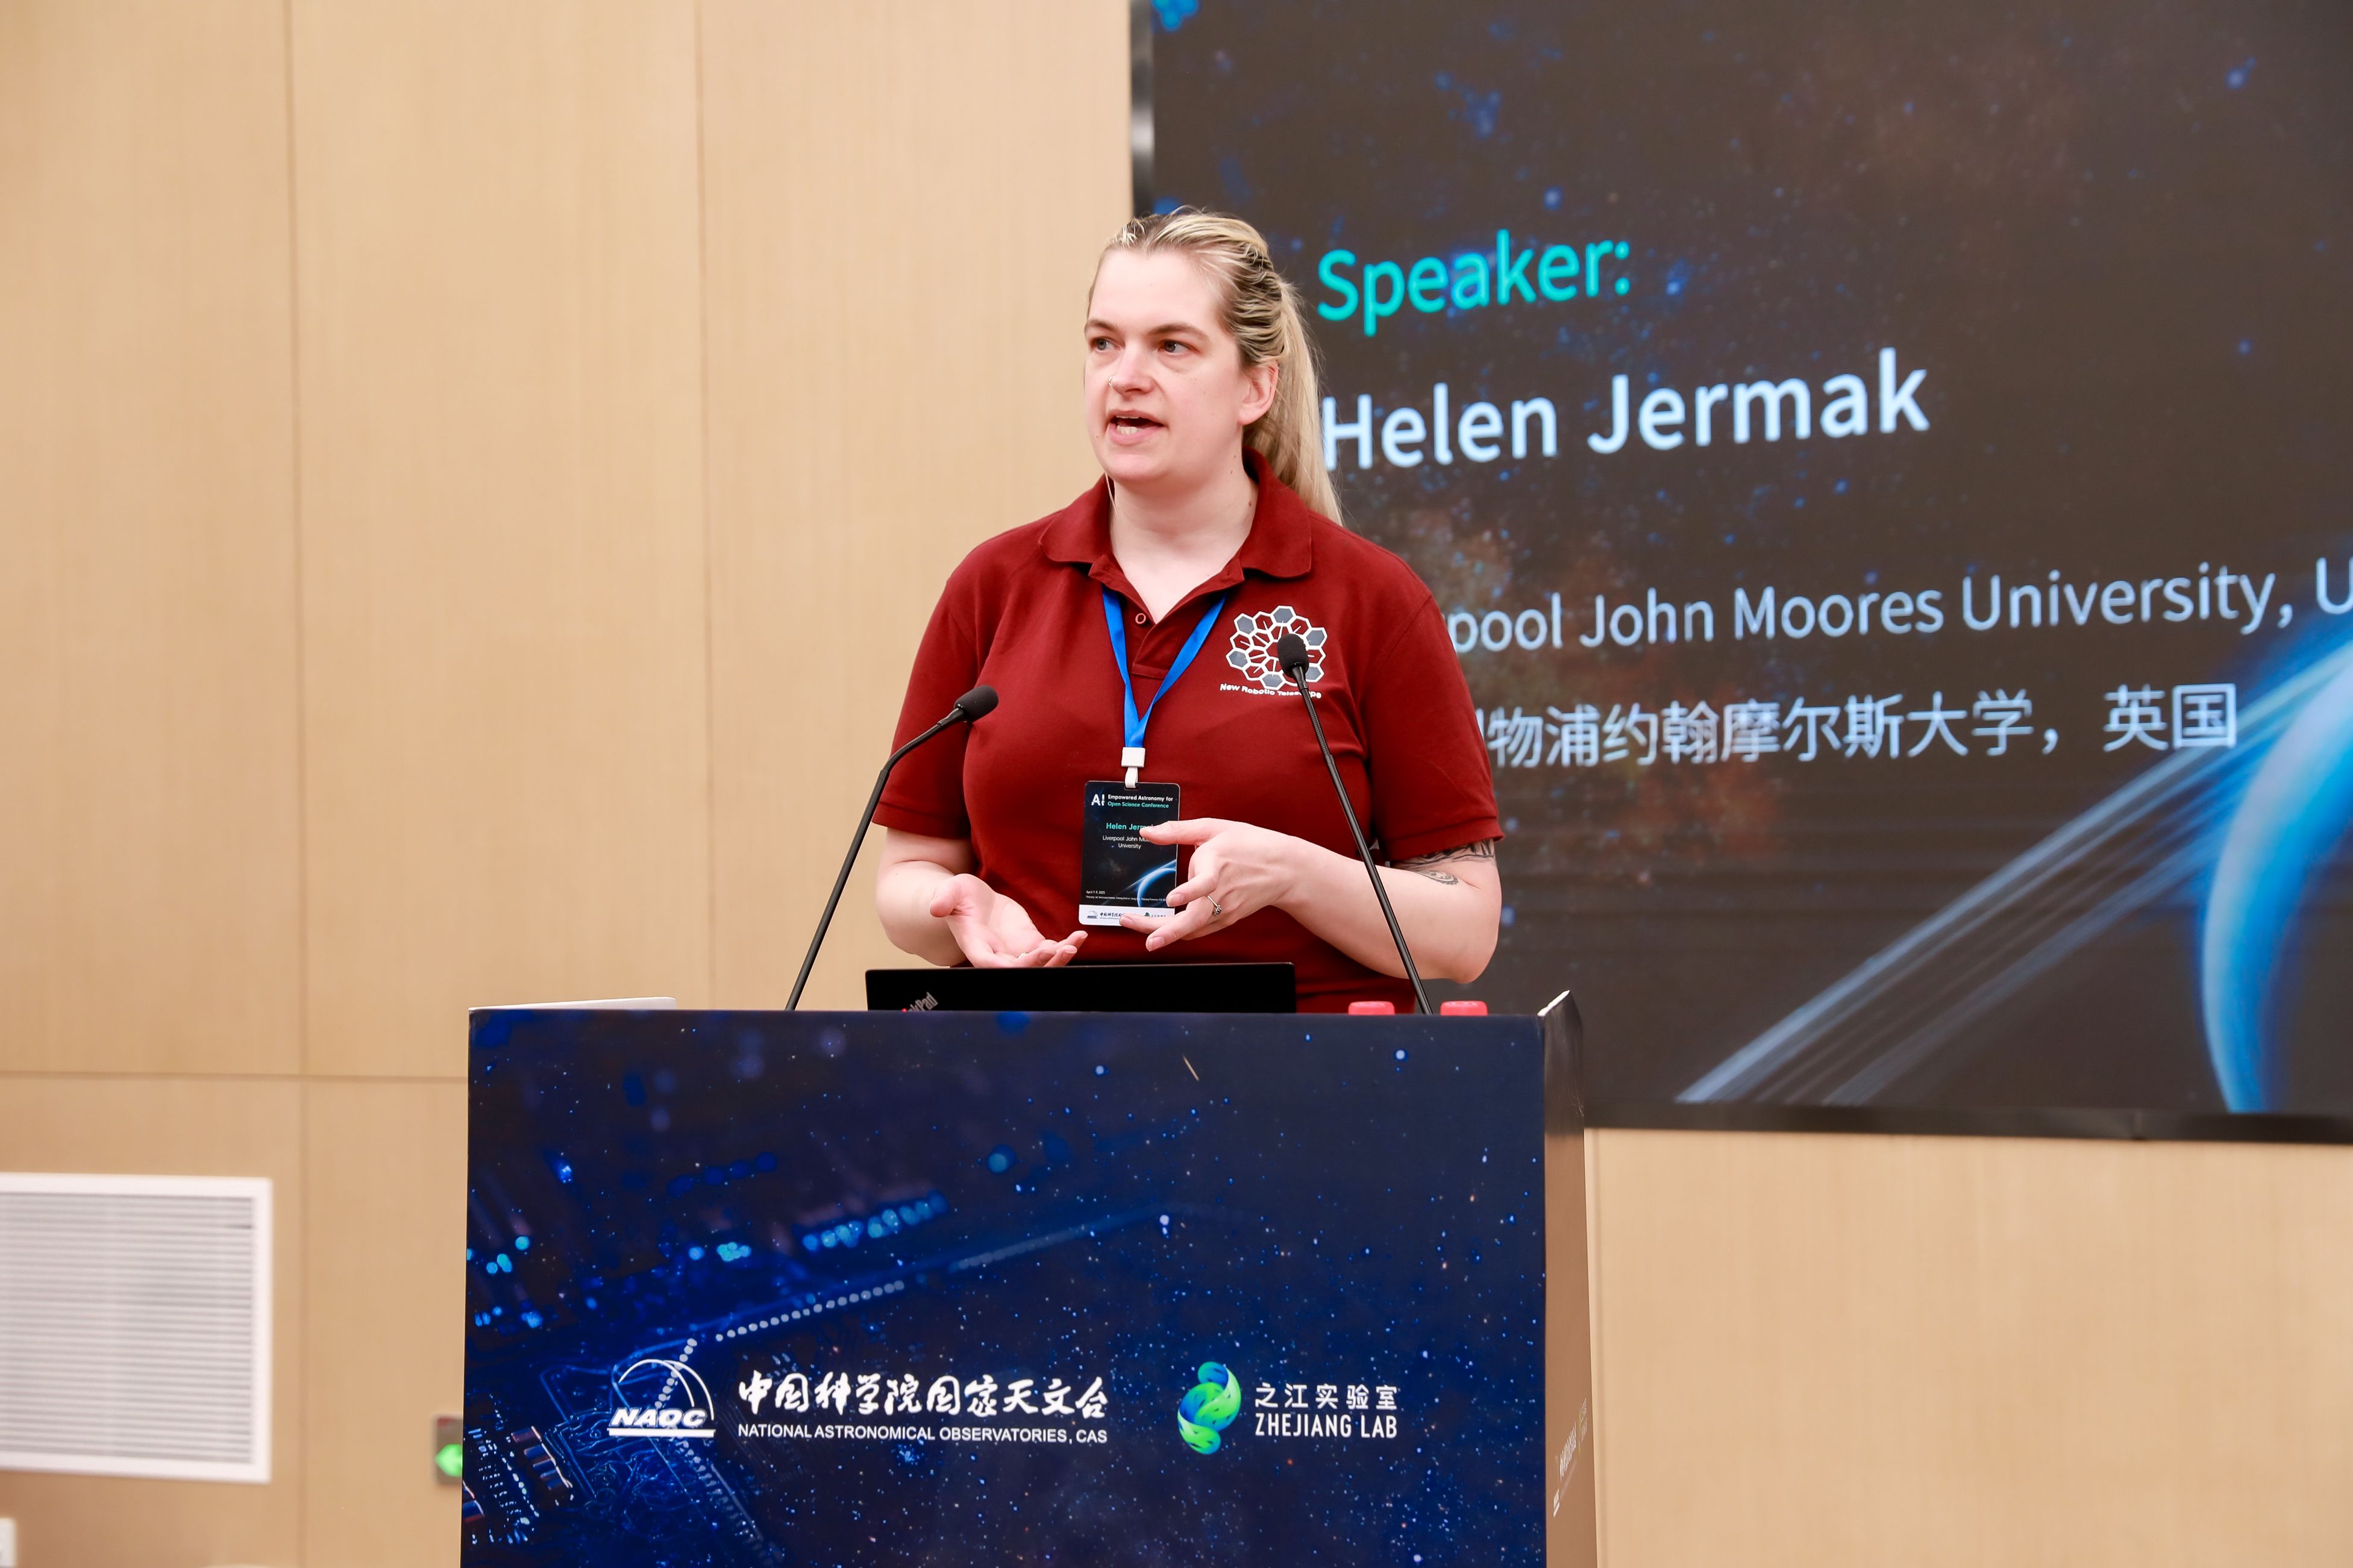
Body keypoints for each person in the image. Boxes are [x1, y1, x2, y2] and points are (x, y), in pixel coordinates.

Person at [870, 210, 1499, 1011]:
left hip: (1293, 1090)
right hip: (1027, 1082)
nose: (1124, 376)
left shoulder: (1370, 599)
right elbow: (908, 872)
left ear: (1254, 386)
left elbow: (1466, 930)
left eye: (1171, 346)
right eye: (1104, 343)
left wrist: (1291, 875)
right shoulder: (993, 584)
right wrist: (953, 908)